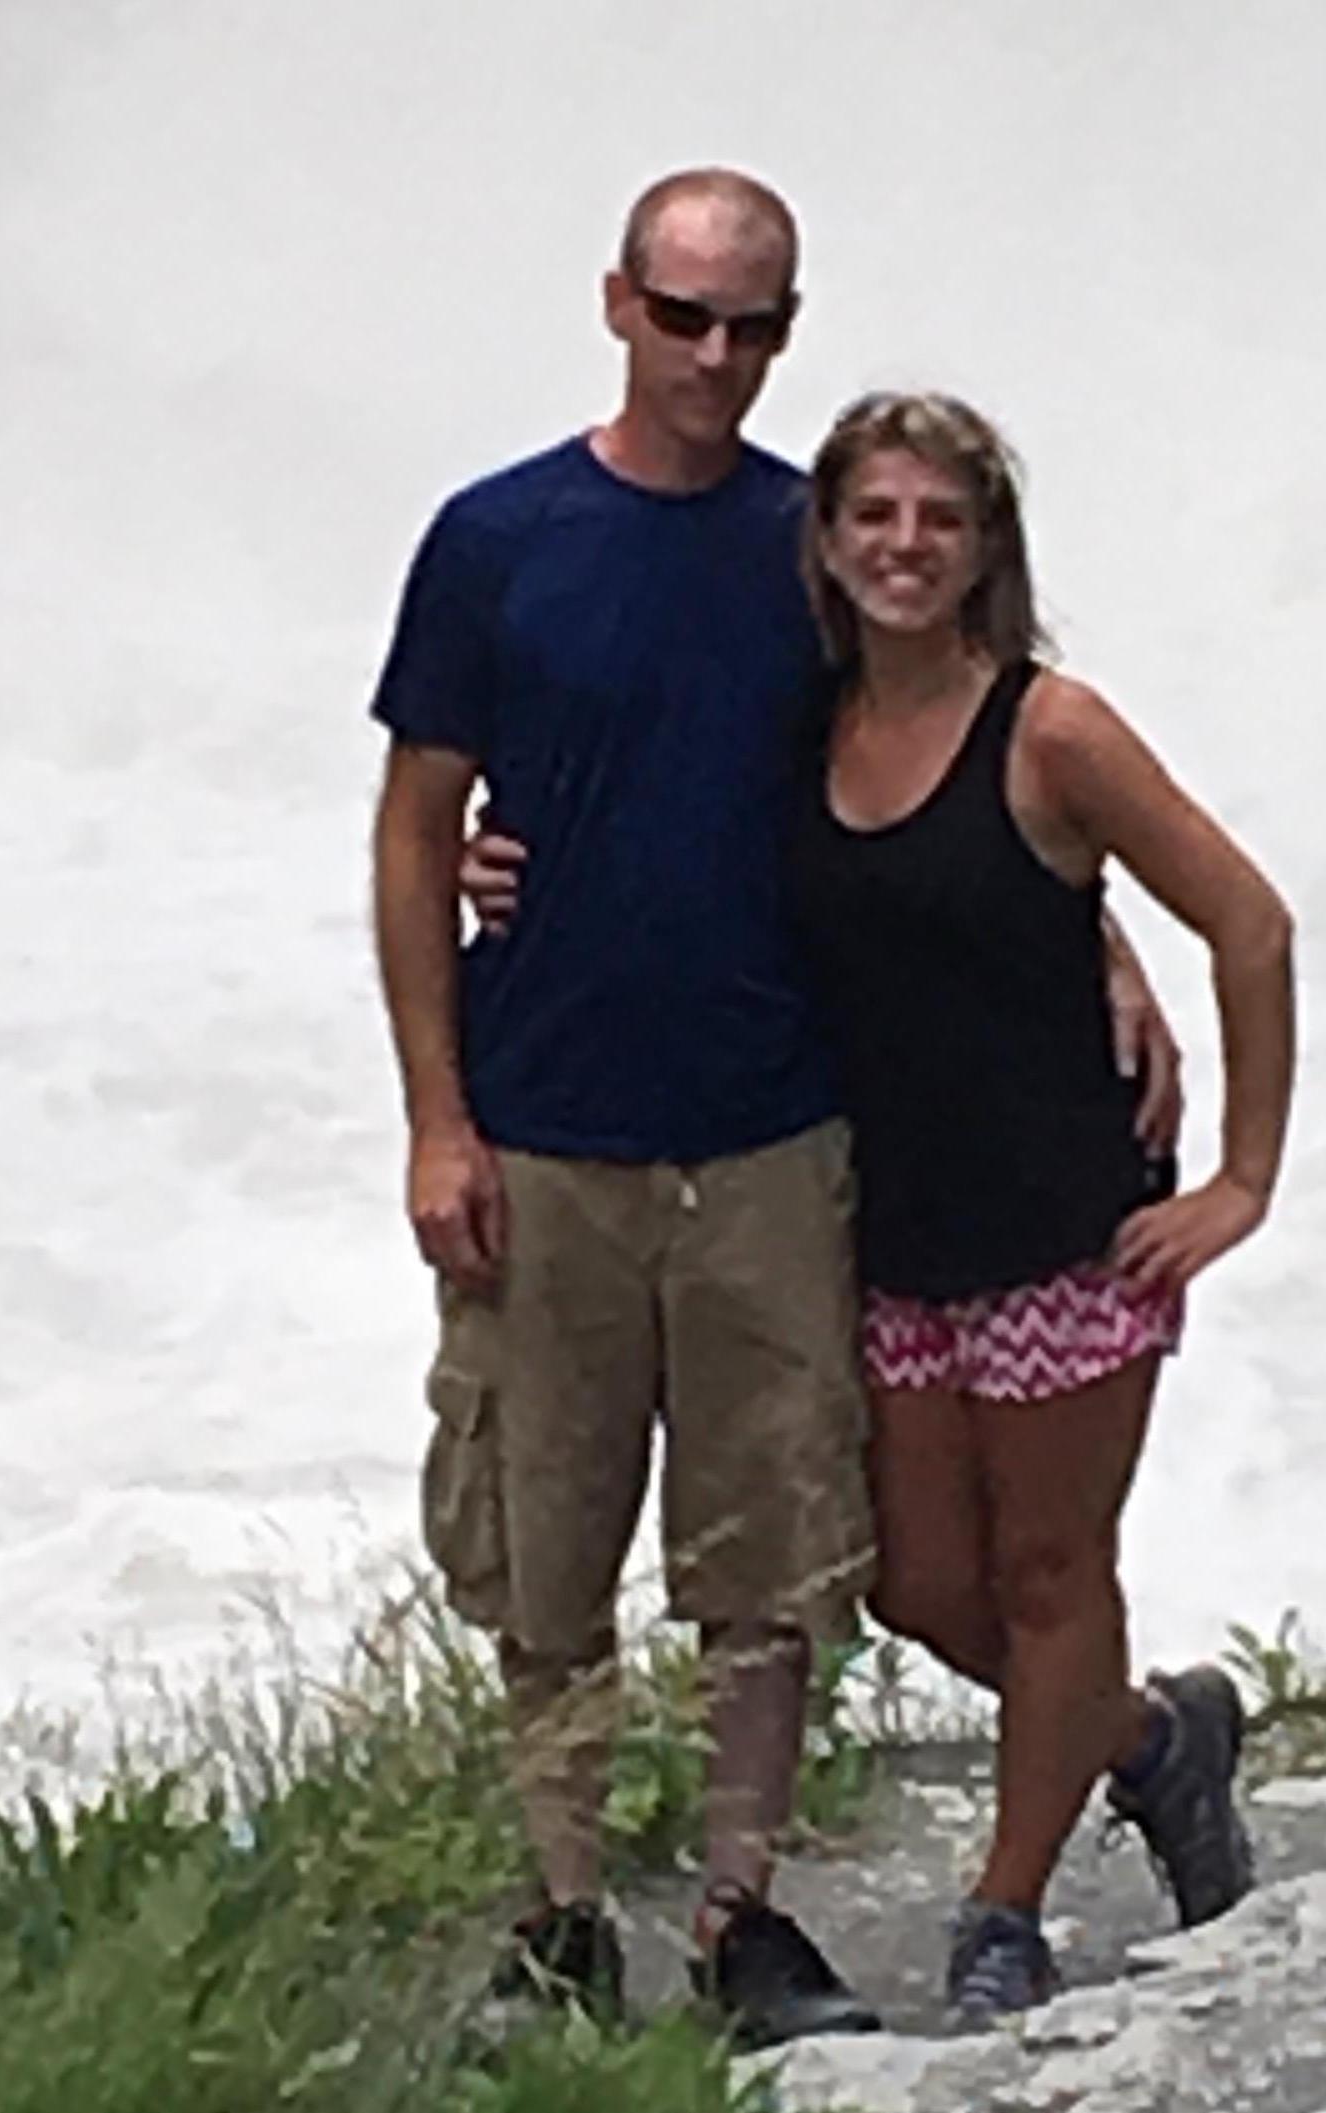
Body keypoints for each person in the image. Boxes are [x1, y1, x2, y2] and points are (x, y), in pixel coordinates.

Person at [369, 168, 885, 2048]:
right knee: (544, 1547)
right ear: (615, 305)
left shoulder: (816, 548)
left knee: (771, 1552)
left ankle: (742, 1917)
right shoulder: (496, 540)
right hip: (549, 1129)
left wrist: (1107, 959)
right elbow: (418, 828)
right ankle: (561, 1912)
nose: (718, 356)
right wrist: (437, 1119)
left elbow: (954, 749)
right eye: (685, 317)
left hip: (766, 1130)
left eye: (754, 324)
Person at [784, 388, 1296, 2024]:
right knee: (917, 1584)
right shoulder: (804, 724)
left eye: (941, 517)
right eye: (876, 514)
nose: (906, 545)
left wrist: (1240, 1181)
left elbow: (1251, 921)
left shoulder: (1050, 727)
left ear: (987, 545)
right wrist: (492, 864)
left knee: (1053, 1573)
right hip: (901, 1236)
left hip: (1070, 1230)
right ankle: (1152, 1739)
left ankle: (1001, 1912)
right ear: (828, 537)